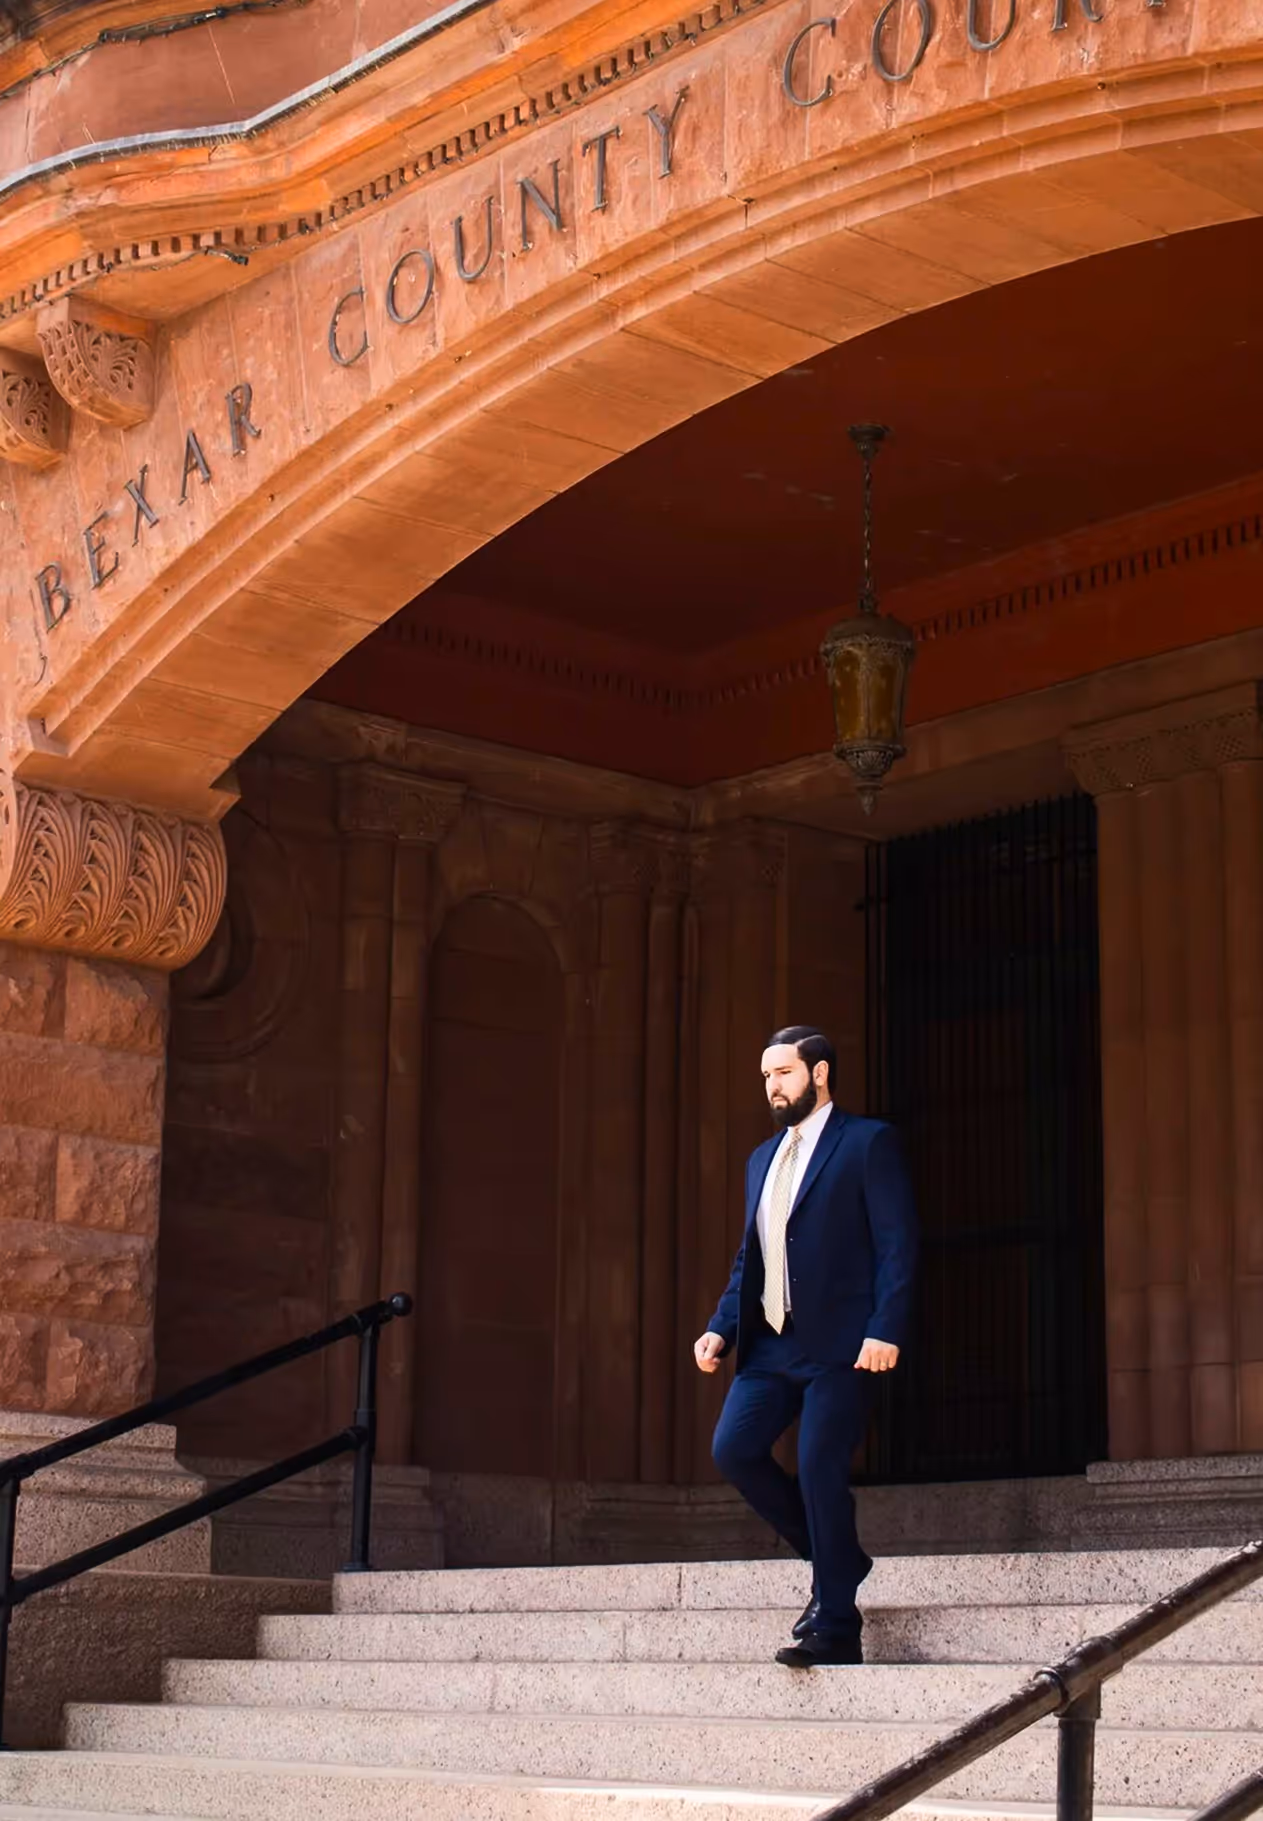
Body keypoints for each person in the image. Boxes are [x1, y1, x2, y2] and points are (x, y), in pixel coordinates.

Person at [694, 1025, 918, 1667]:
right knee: (733, 1449)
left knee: (819, 1462)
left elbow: (897, 1244)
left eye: (783, 1073)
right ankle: (839, 1561)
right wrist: (720, 1325)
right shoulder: (761, 1160)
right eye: (766, 1077)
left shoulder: (867, 1142)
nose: (772, 1086)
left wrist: (886, 1328)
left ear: (819, 1074)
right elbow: (753, 1258)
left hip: (843, 1346)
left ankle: (836, 1624)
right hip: (770, 1347)